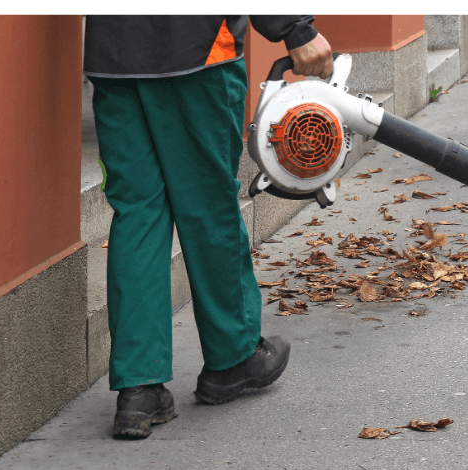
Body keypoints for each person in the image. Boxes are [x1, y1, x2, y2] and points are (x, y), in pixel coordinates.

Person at [84, 16, 334, 439]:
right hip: (195, 49)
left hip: (115, 55)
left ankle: (138, 388)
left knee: (137, 214)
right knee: (208, 207)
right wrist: (295, 28)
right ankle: (232, 356)